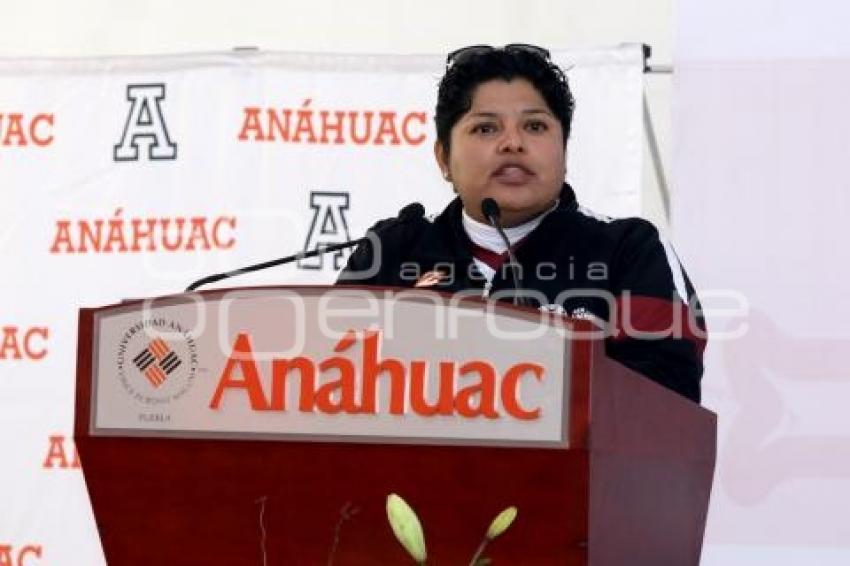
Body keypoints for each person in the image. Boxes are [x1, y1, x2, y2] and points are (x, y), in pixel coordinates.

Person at [337, 44, 705, 403]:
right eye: (485, 128)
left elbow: (665, 403)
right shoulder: (391, 251)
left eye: (535, 126)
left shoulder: (629, 251)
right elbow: (331, 383)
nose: (512, 143)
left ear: (564, 152)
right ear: (443, 157)